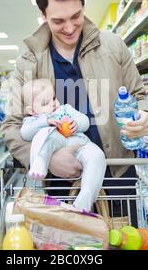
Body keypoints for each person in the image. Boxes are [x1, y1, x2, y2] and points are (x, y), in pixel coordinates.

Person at [2, 0, 148, 224]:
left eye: (76, 16)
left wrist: (146, 117)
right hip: (61, 183)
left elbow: (139, 95)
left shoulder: (113, 46)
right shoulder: (28, 62)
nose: (70, 27)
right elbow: (11, 127)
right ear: (43, 16)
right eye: (58, 21)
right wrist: (48, 158)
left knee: (122, 239)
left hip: (117, 176)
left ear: (84, 5)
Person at [20, 78, 106, 211]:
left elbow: (85, 120)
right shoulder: (34, 120)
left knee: (97, 155)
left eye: (53, 98)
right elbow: (25, 133)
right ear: (31, 110)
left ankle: (84, 200)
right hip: (55, 144)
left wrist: (76, 124)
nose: (53, 104)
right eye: (45, 103)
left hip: (80, 144)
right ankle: (40, 163)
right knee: (45, 137)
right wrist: (46, 121)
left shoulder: (65, 109)